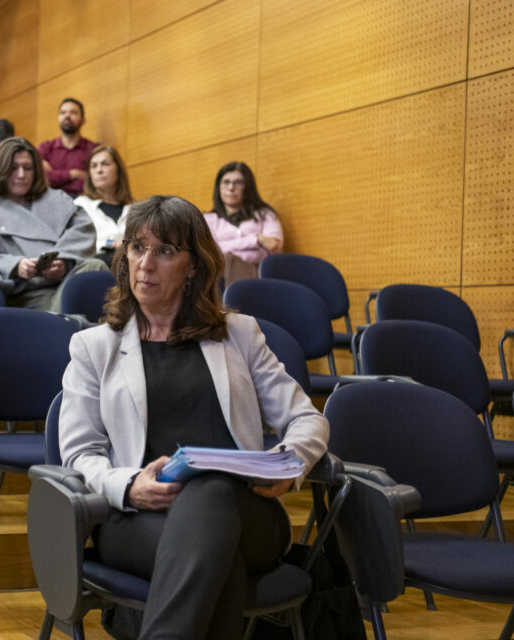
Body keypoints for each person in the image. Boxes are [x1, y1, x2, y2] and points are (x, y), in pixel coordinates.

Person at [59, 195, 328, 640]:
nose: (146, 263)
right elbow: (79, 453)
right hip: (139, 515)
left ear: (193, 267)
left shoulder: (240, 335)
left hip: (247, 513)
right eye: (137, 248)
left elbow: (308, 419)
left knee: (212, 494)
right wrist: (128, 486)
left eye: (164, 251)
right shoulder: (94, 347)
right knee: (218, 561)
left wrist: (289, 463)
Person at [0, 136, 106, 312]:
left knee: (95, 267)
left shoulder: (56, 198)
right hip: (27, 293)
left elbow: (83, 230)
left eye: (27, 168)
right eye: (13, 168)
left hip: (67, 280)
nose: (21, 175)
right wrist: (16, 265)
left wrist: (64, 261)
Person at [204, 161, 283, 283]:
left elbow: (274, 247)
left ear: (248, 186)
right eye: (226, 182)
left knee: (232, 261)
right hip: (217, 275)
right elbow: (210, 252)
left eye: (238, 182)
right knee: (229, 261)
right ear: (218, 187)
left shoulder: (265, 214)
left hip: (258, 274)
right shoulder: (208, 219)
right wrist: (256, 240)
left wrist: (227, 247)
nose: (231, 188)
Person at [74, 145, 132, 266]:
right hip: (96, 262)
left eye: (105, 164)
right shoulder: (80, 205)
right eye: (94, 166)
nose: (99, 170)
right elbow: (75, 245)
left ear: (118, 170)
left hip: (129, 262)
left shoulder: (135, 208)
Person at [38, 97, 97, 197]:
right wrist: (74, 174)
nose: (67, 116)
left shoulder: (93, 150)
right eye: (63, 112)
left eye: (73, 112)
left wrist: (56, 175)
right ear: (58, 118)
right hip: (51, 201)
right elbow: (41, 178)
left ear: (83, 120)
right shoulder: (45, 148)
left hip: (84, 202)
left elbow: (94, 181)